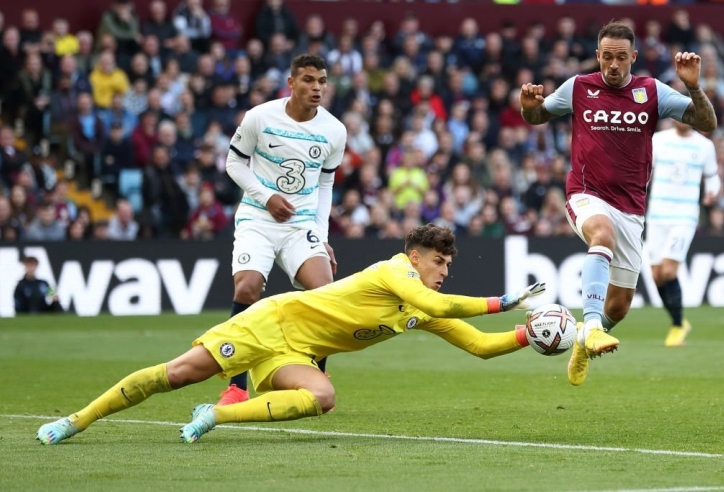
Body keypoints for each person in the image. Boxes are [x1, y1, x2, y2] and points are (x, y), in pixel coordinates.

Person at [36, 224, 545, 445]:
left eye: (448, 264)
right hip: (269, 322)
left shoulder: (414, 309)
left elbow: (479, 346)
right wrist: (504, 302)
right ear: (415, 258)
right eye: (439, 262)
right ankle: (76, 420)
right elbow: (438, 301)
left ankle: (216, 415)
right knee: (177, 374)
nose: (444, 271)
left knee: (322, 395)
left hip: (295, 349)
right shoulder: (393, 270)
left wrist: (527, 334)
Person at [519, 21, 717, 386]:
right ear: (597, 56)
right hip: (586, 193)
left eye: (621, 58)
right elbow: (536, 116)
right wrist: (527, 106)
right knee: (602, 234)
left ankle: (583, 341)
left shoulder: (651, 92)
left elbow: (707, 121)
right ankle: (590, 325)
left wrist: (692, 84)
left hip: (632, 209)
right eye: (606, 57)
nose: (613, 65)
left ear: (633, 58)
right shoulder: (578, 87)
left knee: (620, 306)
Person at [218, 53, 347, 405]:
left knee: (325, 292)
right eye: (308, 80)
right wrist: (266, 196)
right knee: (247, 288)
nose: (316, 87)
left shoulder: (334, 130)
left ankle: (315, 375)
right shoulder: (260, 117)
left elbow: (325, 186)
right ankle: (235, 386)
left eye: (321, 81)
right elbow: (233, 162)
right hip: (259, 218)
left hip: (300, 224)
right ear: (291, 83)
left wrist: (322, 237)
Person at [646, 119, 720, 347]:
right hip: (657, 215)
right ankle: (679, 321)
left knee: (669, 271)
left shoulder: (704, 146)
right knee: (657, 275)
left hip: (684, 216)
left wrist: (712, 192)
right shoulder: (659, 140)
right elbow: (645, 169)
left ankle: (677, 326)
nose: (682, 118)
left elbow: (712, 176)